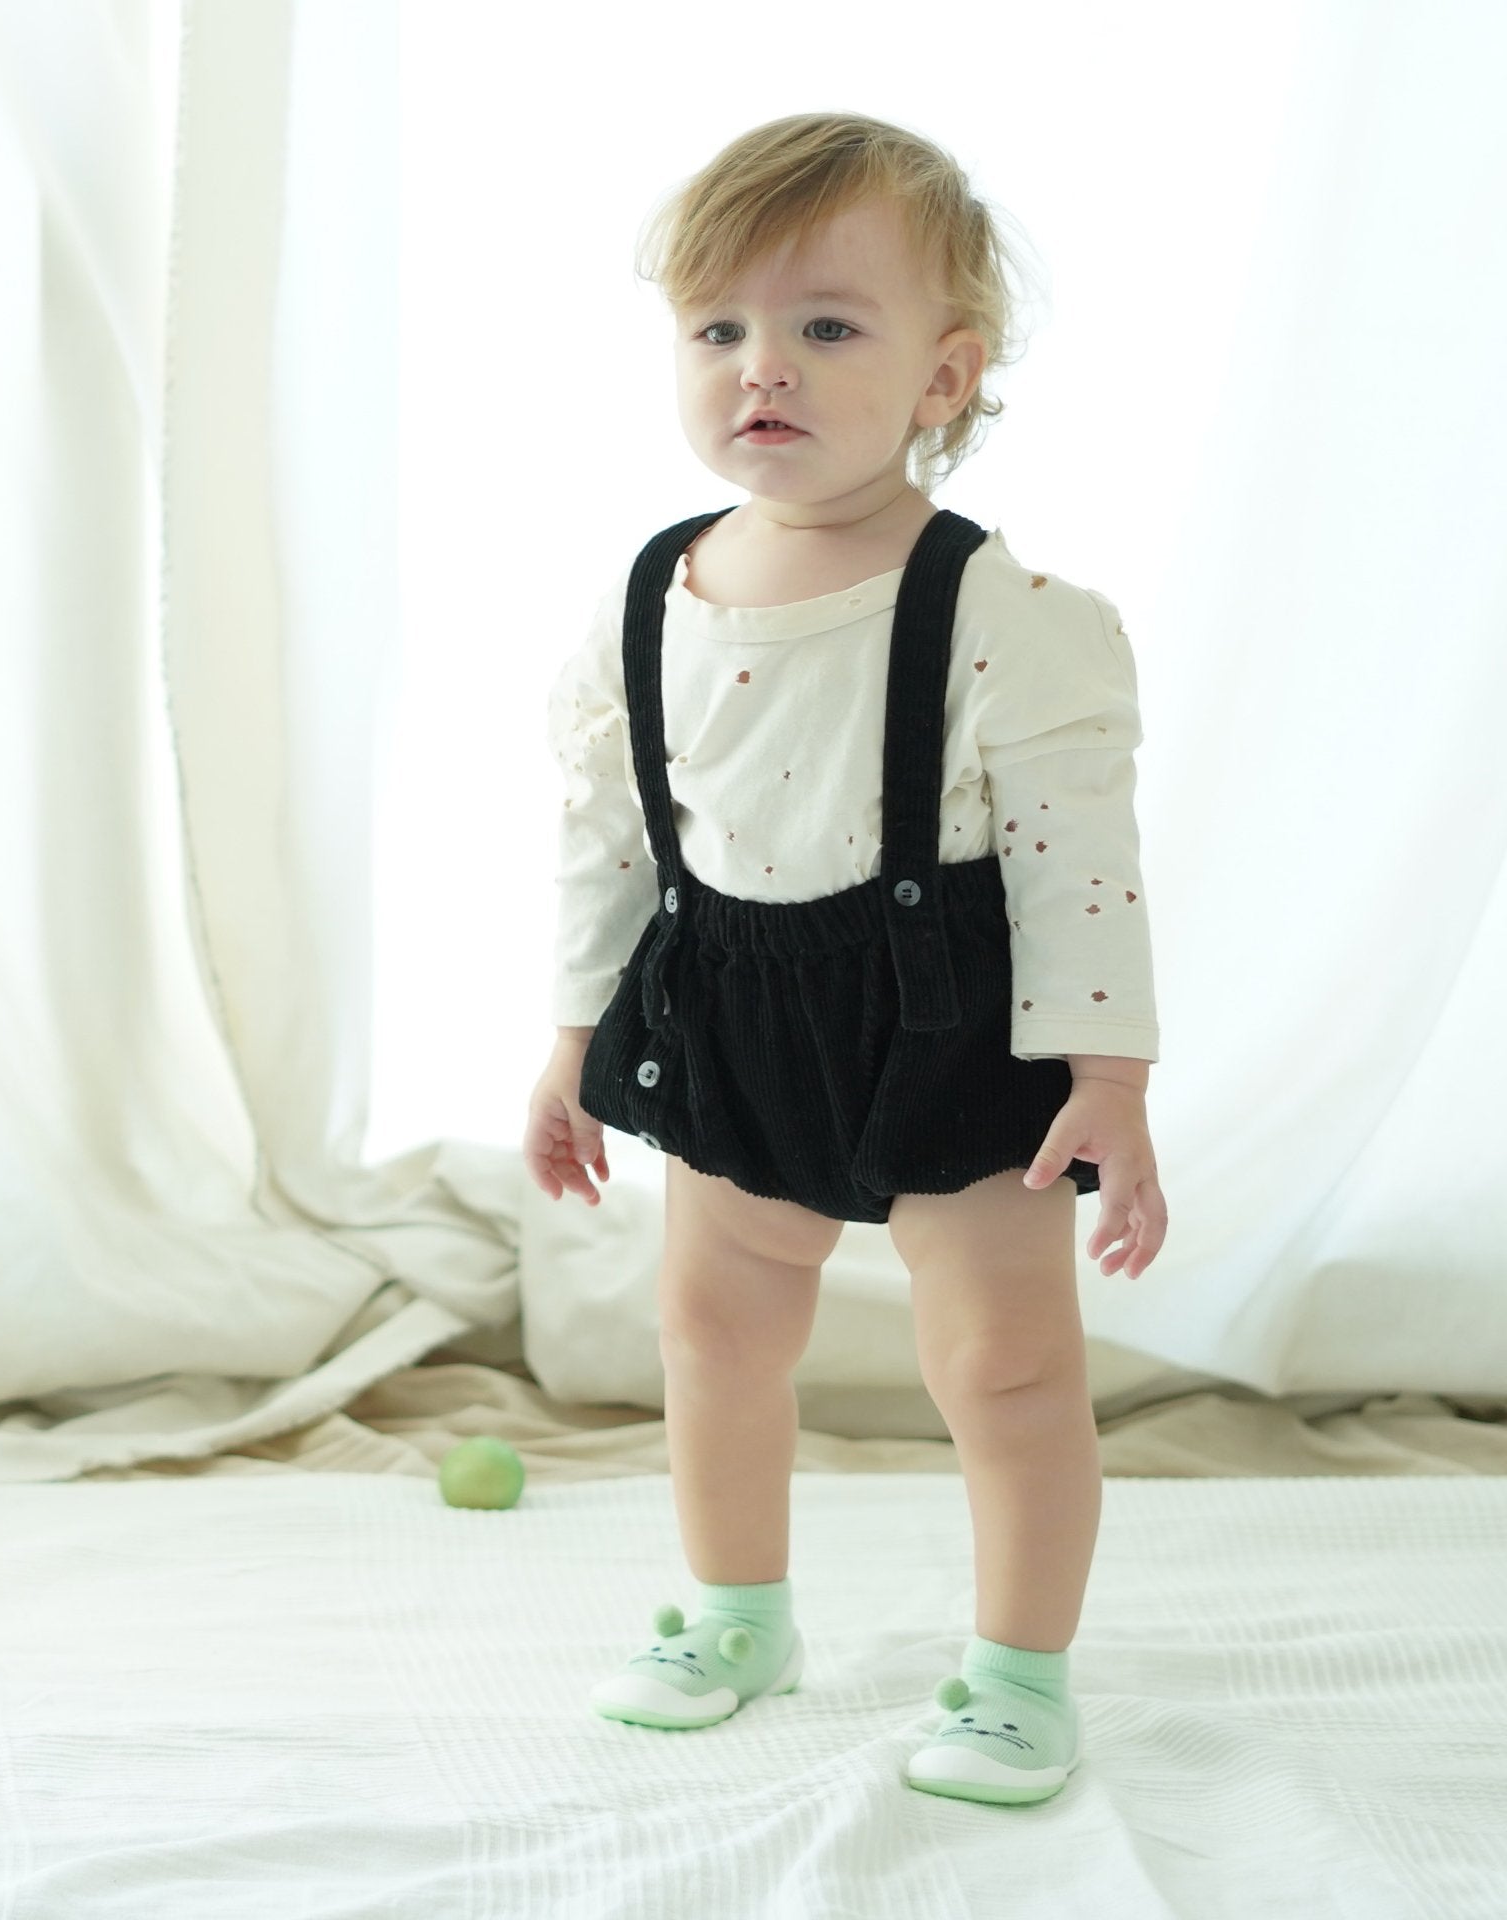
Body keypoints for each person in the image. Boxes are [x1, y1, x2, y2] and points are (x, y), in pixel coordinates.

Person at [522, 110, 1169, 1808]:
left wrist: (1110, 1075)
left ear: (944, 376)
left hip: (951, 1010)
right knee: (715, 1325)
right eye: (719, 326)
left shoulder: (998, 609)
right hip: (733, 1000)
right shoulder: (653, 593)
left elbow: (1078, 859)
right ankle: (739, 1619)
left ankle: (1019, 1676)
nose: (765, 368)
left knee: (1004, 1359)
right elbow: (611, 834)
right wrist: (572, 1037)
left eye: (828, 325)